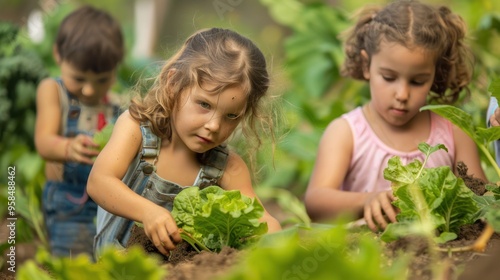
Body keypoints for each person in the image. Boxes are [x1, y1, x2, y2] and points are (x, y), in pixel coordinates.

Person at [87, 27, 282, 258]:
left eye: (231, 116)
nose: (214, 125)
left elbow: (261, 220)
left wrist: (273, 235)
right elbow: (99, 182)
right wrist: (147, 212)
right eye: (204, 105)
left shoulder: (229, 168)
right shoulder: (135, 130)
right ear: (173, 84)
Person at [304, 0, 487, 233]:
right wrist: (365, 201)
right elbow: (316, 201)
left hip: (440, 256)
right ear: (366, 64)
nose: (402, 94)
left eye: (418, 81)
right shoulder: (347, 132)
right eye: (389, 78)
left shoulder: (454, 133)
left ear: (435, 75)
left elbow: (482, 198)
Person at [34, 5, 125, 257]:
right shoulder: (54, 91)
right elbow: (43, 142)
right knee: (73, 259)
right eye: (79, 79)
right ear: (58, 55)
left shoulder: (116, 105)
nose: (89, 90)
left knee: (107, 261)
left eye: (102, 80)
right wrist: (67, 147)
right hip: (68, 200)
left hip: (108, 202)